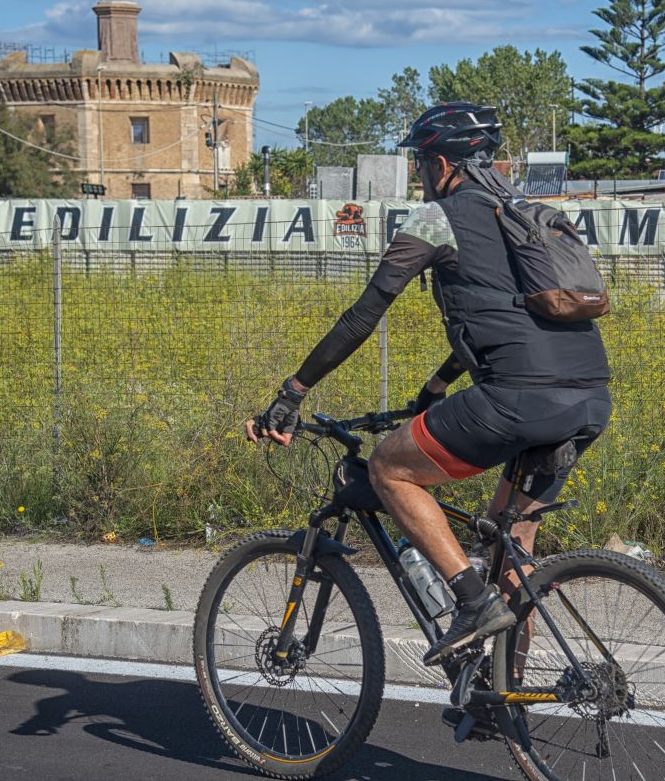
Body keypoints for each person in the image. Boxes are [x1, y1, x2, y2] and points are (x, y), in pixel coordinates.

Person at [246, 102, 611, 666]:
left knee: (390, 468)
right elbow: (506, 315)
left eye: (420, 164)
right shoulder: (524, 213)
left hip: (517, 398)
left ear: (441, 163)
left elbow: (362, 316)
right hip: (588, 396)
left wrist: (293, 392)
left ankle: (469, 600)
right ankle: (502, 693)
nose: (419, 177)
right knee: (512, 550)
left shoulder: (437, 218)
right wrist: (437, 386)